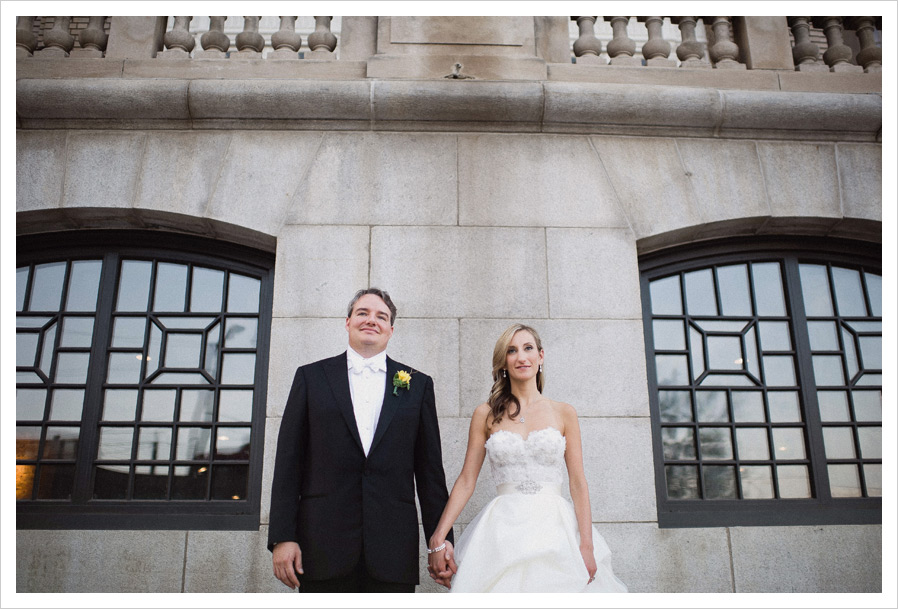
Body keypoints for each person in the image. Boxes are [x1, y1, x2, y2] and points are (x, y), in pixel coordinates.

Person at [268, 288, 454, 592]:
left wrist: (441, 541)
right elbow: (289, 463)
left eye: (381, 316)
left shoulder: (418, 385)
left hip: (392, 551)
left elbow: (430, 473)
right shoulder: (310, 378)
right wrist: (282, 537)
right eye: (363, 313)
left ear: (391, 329)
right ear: (347, 322)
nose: (371, 320)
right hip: (321, 547)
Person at [426, 323, 628, 593]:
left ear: (540, 356)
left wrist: (586, 545)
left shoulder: (564, 412)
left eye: (528, 348)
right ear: (503, 362)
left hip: (555, 529)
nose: (521, 357)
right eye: (512, 351)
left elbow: (578, 482)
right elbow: (466, 480)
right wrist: (438, 538)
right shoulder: (485, 414)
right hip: (502, 530)